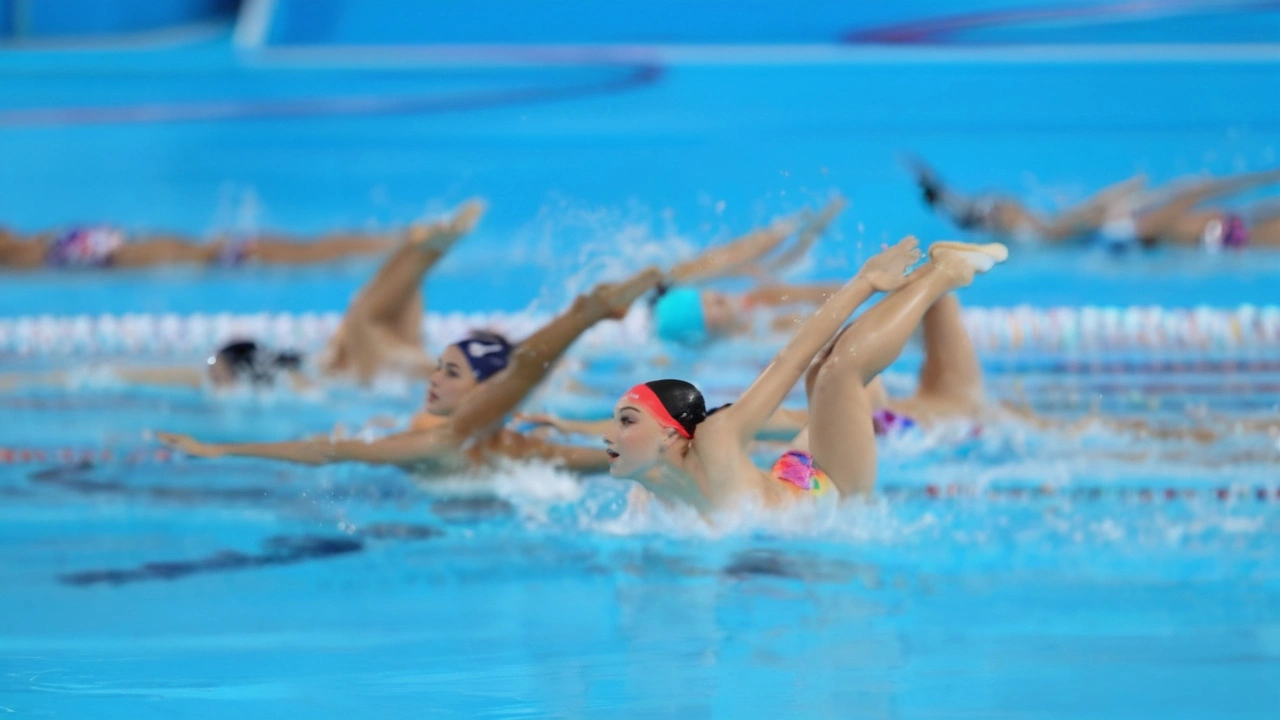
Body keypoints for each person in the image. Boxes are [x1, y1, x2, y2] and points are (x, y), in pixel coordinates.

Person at [152, 222, 811, 472]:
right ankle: (430, 249)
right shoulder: (480, 441)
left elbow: (332, 447)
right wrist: (222, 448)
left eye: (450, 374)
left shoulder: (499, 442)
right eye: (439, 370)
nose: (433, 382)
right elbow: (333, 448)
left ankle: (432, 250)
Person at [601, 238, 1008, 517]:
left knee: (835, 370)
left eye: (626, 422)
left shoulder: (717, 437)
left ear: (669, 434)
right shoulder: (648, 488)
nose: (610, 435)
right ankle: (926, 290)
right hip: (793, 478)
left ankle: (945, 275)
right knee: (832, 380)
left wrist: (864, 283)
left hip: (832, 493)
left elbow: (788, 361)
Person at [0, 200, 487, 392]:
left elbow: (367, 313)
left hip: (165, 256)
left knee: (355, 310)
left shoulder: (367, 365)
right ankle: (408, 242)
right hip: (160, 254)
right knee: (352, 303)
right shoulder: (381, 366)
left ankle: (410, 243)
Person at [915, 159, 1280, 251]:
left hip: (1228, 231)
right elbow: (1195, 193)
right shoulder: (1061, 230)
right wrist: (1263, 178)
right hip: (1232, 235)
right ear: (998, 218)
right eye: (998, 204)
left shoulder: (1064, 227)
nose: (1008, 200)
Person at [650, 196, 853, 345]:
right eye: (708, 306)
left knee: (738, 269)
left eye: (705, 297)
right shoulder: (742, 332)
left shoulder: (681, 279)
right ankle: (793, 231)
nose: (715, 297)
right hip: (678, 318)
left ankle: (791, 230)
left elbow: (736, 256)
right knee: (765, 305)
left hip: (668, 297)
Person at [0, 219, 406, 270]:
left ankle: (387, 242)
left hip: (174, 250)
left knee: (302, 249)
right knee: (300, 250)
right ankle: (387, 242)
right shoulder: (27, 255)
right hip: (181, 251)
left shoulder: (32, 248)